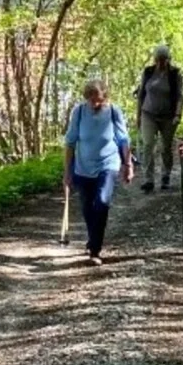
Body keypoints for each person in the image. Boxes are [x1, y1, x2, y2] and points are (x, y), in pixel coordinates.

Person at [64, 79, 134, 266]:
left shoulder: (113, 111)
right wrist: (67, 172)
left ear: (105, 98)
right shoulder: (79, 112)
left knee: (102, 202)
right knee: (87, 208)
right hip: (82, 167)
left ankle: (95, 249)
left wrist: (128, 165)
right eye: (91, 100)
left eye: (99, 100)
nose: (95, 103)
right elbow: (70, 142)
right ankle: (92, 239)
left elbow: (124, 140)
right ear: (86, 97)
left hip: (108, 164)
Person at [135, 44, 183, 193]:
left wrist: (178, 115)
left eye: (164, 59)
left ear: (168, 59)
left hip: (168, 117)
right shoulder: (148, 72)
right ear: (154, 59)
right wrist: (138, 116)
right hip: (148, 113)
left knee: (165, 147)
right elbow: (141, 95)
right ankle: (148, 180)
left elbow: (180, 97)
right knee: (148, 145)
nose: (161, 62)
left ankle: (165, 176)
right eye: (158, 59)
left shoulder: (175, 74)